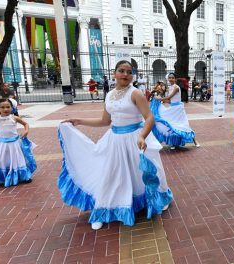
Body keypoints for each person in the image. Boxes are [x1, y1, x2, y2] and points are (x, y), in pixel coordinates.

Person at [58, 60, 173, 230]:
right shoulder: (109, 95)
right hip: (114, 139)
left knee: (142, 173)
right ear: (114, 74)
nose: (125, 74)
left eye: (129, 71)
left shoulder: (136, 93)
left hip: (135, 138)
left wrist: (142, 136)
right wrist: (79, 121)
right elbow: (105, 120)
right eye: (121, 71)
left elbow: (149, 118)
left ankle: (159, 199)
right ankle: (103, 209)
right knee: (112, 174)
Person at [0, 98, 36, 189]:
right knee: (1, 160)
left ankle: (25, 176)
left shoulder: (14, 118)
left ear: (12, 107)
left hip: (15, 144)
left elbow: (25, 124)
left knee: (17, 159)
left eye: (8, 107)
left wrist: (26, 131)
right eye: (2, 107)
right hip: (2, 145)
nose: (5, 109)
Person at [150, 73, 200, 149]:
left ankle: (195, 141)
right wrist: (160, 102)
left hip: (179, 109)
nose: (171, 79)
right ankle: (173, 143)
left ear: (175, 79)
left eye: (172, 78)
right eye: (169, 78)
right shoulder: (170, 87)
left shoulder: (176, 87)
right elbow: (170, 101)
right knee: (171, 125)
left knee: (184, 125)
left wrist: (159, 99)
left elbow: (170, 97)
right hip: (172, 108)